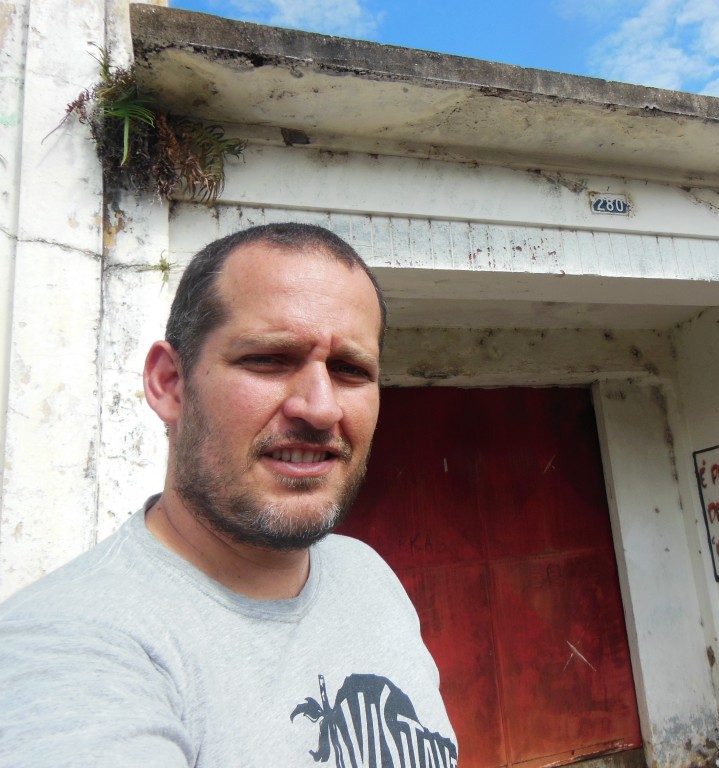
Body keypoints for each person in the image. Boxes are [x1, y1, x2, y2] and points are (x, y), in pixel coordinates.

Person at [0, 224, 458, 767]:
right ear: (171, 383)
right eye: (268, 359)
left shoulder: (368, 575)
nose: (321, 408)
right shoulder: (68, 656)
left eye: (350, 370)